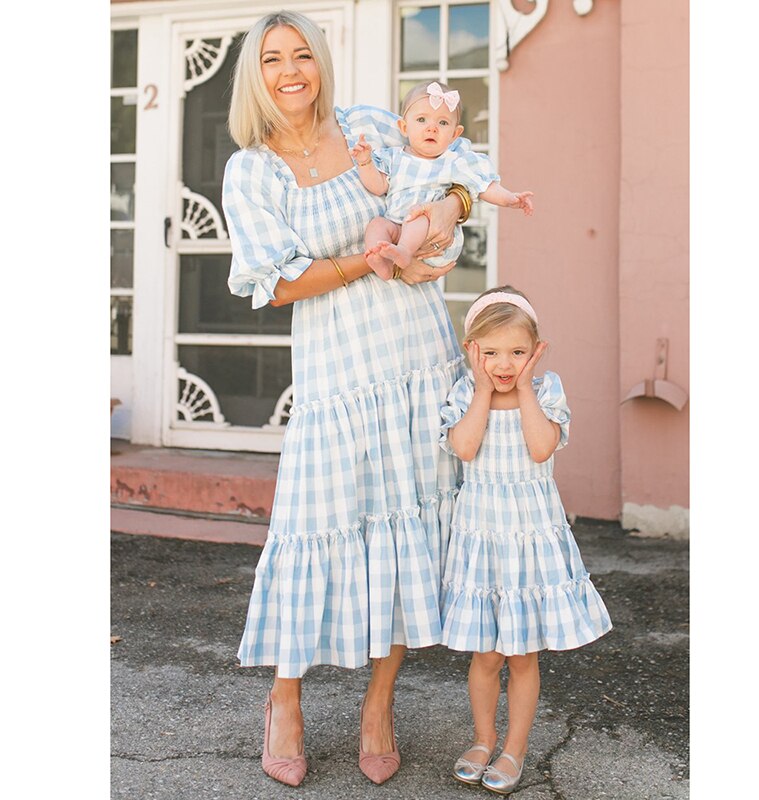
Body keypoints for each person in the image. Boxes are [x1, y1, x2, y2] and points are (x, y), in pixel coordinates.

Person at [222, 10, 472, 788]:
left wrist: (442, 216)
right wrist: (373, 257)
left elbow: (452, 180)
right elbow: (279, 283)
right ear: (255, 76)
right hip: (337, 379)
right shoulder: (252, 171)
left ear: (322, 62)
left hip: (417, 363)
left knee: (406, 530)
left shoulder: (370, 125)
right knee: (314, 530)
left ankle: (378, 705)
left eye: (303, 54)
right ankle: (286, 701)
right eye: (273, 59)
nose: (290, 70)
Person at [438, 286, 612, 794]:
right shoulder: (467, 391)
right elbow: (465, 447)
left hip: (530, 535)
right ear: (472, 350)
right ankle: (482, 738)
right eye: (489, 352)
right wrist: (483, 391)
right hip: (483, 536)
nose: (503, 363)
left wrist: (528, 388)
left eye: (517, 351)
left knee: (522, 654)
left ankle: (514, 748)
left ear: (536, 350)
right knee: (486, 654)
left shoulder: (547, 389)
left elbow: (541, 448)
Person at [349, 81, 534, 280]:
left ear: (455, 135)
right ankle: (381, 262)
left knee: (420, 216)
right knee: (377, 224)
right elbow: (377, 186)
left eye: (443, 123)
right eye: (421, 120)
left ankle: (403, 251)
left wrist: (511, 199)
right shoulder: (394, 158)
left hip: (432, 233)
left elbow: (485, 186)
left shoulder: (452, 162)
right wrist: (365, 162)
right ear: (404, 127)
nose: (432, 128)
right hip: (396, 225)